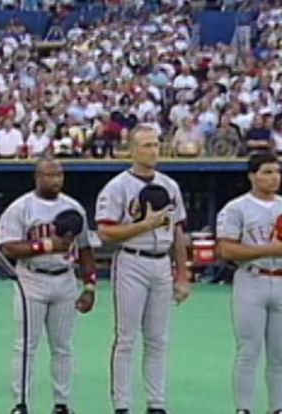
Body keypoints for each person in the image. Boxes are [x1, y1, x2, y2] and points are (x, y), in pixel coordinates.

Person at [94, 125, 192, 414]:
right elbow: (106, 233)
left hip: (161, 261)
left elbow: (177, 231)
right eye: (147, 145)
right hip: (131, 260)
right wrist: (145, 225)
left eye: (156, 145)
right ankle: (122, 405)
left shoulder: (170, 185)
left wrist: (183, 274)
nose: (153, 150)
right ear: (132, 150)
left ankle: (156, 404)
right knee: (126, 337)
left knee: (158, 338)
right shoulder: (117, 186)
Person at [0, 158, 97, 414]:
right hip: (31, 278)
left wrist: (89, 286)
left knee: (63, 346)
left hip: (65, 278)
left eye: (59, 175)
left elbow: (85, 248)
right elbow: (8, 246)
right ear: (37, 177)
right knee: (25, 346)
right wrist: (46, 245)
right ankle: (20, 404)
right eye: (49, 175)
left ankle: (62, 404)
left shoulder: (73, 207)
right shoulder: (21, 208)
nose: (55, 180)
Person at [216, 152, 282, 414]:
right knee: (248, 350)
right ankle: (244, 408)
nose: (273, 177)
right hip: (251, 278)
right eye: (266, 172)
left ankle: (277, 407)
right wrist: (271, 249)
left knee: (279, 354)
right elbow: (227, 251)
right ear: (252, 175)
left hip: (280, 280)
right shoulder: (236, 208)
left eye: (276, 171)